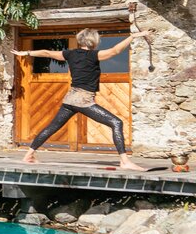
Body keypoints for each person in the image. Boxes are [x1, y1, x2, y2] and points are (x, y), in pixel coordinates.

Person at [14, 28, 149, 171]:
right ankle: (125, 161)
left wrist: (26, 53)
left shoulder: (70, 54)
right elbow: (115, 51)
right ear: (94, 41)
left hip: (70, 99)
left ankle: (29, 155)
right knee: (116, 123)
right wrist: (133, 36)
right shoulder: (93, 55)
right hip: (83, 101)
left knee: (52, 127)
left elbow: (47, 53)